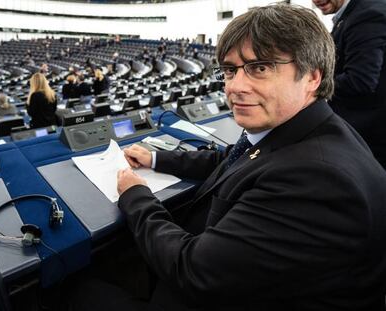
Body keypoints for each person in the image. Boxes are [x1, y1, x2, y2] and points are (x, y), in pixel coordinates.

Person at [68, 4, 386, 311]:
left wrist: (136, 195)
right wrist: (155, 160)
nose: (235, 87)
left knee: (75, 289)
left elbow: (191, 272)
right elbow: (234, 158)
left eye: (260, 68)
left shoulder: (316, 180)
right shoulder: (306, 127)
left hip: (201, 287)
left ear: (312, 77)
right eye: (230, 71)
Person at [312, 0, 386, 169]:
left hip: (371, 138)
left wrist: (310, 86)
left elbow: (360, 80)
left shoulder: (366, 15)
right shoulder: (354, 14)